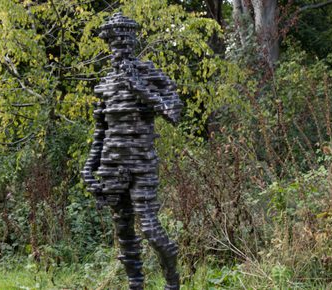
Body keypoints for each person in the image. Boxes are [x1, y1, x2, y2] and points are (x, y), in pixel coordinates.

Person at [81, 12, 183, 290]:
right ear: (109, 45)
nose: (120, 46)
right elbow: (100, 131)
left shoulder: (149, 74)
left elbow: (174, 113)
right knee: (124, 231)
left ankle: (172, 284)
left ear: (133, 40)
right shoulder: (106, 84)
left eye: (125, 40)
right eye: (114, 41)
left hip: (141, 165)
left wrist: (140, 88)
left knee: (150, 229)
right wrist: (88, 169)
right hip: (112, 166)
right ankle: (135, 285)